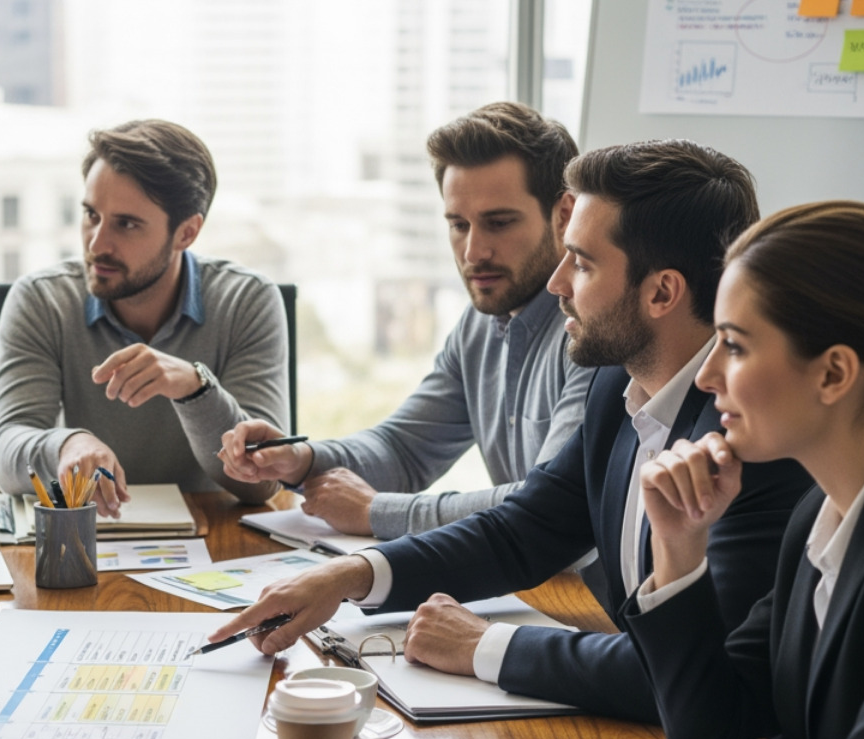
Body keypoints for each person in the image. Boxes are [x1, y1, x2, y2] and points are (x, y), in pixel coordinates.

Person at [208, 140, 814, 723]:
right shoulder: (617, 385)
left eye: (581, 263)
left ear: (661, 291)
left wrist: (485, 646)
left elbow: (694, 673)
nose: (557, 284)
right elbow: (526, 529)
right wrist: (350, 575)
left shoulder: (752, 440)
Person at [625, 202, 864, 739]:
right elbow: (713, 736)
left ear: (834, 373)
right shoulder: (818, 512)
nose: (708, 375)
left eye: (736, 345)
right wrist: (679, 544)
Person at [219, 102, 593, 540]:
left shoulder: (592, 332)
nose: (473, 252)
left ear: (564, 215)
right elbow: (403, 450)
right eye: (458, 224)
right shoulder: (479, 325)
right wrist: (300, 458)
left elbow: (549, 504)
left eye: (499, 223)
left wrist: (378, 511)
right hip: (529, 587)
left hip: (591, 597)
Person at [0, 119, 289, 516]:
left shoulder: (248, 300)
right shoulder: (41, 300)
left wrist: (195, 389)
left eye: (126, 224)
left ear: (186, 233)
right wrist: (68, 445)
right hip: (82, 540)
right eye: (91, 215)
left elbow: (262, 484)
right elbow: (4, 449)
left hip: (213, 546)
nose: (97, 244)